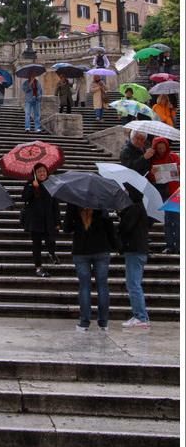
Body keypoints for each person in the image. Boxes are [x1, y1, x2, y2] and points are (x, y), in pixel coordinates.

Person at [62, 203, 117, 332]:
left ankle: (84, 322)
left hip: (81, 249)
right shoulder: (100, 202)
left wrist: (77, 223)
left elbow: (66, 228)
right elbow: (109, 227)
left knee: (84, 286)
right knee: (102, 285)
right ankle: (103, 322)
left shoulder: (74, 202)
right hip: (101, 249)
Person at [119, 183, 150, 328]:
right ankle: (140, 315)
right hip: (137, 250)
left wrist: (121, 214)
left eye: (126, 190)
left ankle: (141, 317)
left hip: (135, 250)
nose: (125, 192)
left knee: (133, 284)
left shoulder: (135, 208)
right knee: (133, 283)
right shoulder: (138, 208)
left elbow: (126, 227)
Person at [21, 163, 61, 277]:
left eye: (44, 171)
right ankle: (38, 267)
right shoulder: (30, 184)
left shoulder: (51, 184)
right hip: (35, 220)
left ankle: (51, 252)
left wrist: (58, 222)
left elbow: (55, 205)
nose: (42, 174)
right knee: (36, 245)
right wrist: (33, 187)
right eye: (39, 172)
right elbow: (24, 198)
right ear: (35, 173)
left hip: (49, 220)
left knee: (51, 241)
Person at [148, 137, 180, 254]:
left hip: (175, 192)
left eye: (163, 147)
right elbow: (152, 177)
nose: (161, 150)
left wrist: (178, 169)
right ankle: (170, 245)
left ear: (167, 147)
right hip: (163, 193)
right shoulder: (153, 160)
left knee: (177, 221)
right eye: (159, 148)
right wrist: (152, 173)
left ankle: (179, 246)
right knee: (166, 221)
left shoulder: (173, 157)